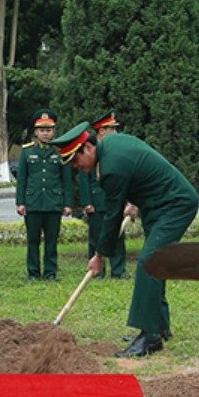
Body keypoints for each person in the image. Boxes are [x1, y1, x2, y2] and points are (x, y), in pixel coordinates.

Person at [55, 121, 199, 357]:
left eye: (76, 161)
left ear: (88, 149)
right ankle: (160, 326)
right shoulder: (111, 144)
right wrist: (132, 201)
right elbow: (140, 167)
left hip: (175, 205)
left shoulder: (111, 167)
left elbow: (111, 218)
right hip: (156, 206)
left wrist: (99, 256)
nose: (77, 168)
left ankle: (150, 337)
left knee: (148, 262)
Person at [14, 109, 73, 280]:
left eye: (49, 130)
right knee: (32, 241)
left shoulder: (60, 152)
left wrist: (67, 203)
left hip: (53, 203)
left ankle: (50, 273)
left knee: (51, 241)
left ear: (54, 131)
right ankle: (33, 273)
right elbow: (22, 180)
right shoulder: (27, 152)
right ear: (36, 132)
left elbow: (66, 180)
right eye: (42, 130)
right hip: (33, 202)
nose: (45, 133)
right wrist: (20, 202)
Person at [78, 110, 128, 279]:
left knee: (118, 236)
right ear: (101, 131)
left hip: (114, 200)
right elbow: (83, 176)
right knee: (97, 237)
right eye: (111, 129)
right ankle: (97, 272)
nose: (115, 133)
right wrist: (86, 201)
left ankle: (118, 270)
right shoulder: (91, 149)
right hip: (97, 201)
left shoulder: (115, 150)